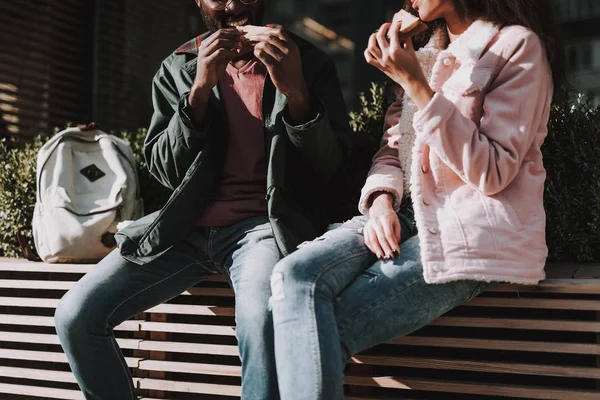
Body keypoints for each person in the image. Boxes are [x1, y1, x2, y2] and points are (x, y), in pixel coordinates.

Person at [54, 0, 351, 398]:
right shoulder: (178, 66)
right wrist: (199, 91)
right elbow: (163, 171)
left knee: (259, 322)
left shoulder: (305, 60)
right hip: (184, 229)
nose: (231, 4)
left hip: (261, 229)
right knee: (75, 316)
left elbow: (332, 171)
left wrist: (296, 90)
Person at [269, 0, 563, 399]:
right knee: (292, 276)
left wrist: (418, 86)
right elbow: (393, 149)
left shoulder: (515, 46)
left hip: (469, 230)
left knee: (308, 329)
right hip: (403, 213)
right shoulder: (425, 49)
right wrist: (381, 201)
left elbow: (493, 171)